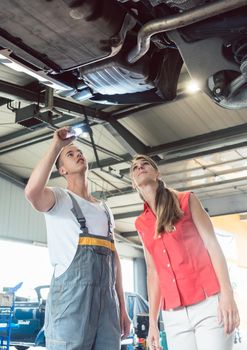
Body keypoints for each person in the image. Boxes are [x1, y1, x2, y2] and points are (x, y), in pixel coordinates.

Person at [25, 127, 130, 350]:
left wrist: (122, 306)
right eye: (70, 155)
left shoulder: (104, 209)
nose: (77, 154)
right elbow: (32, 192)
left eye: (79, 152)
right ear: (62, 170)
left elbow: (114, 259)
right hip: (71, 302)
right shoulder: (58, 199)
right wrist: (56, 146)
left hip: (107, 306)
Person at [130, 154, 240, 350]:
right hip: (174, 316)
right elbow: (153, 273)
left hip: (208, 305)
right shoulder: (141, 224)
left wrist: (227, 295)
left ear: (157, 172)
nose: (140, 167)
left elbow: (213, 246)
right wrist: (153, 323)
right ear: (134, 183)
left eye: (145, 163)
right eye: (135, 167)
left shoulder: (186, 200)